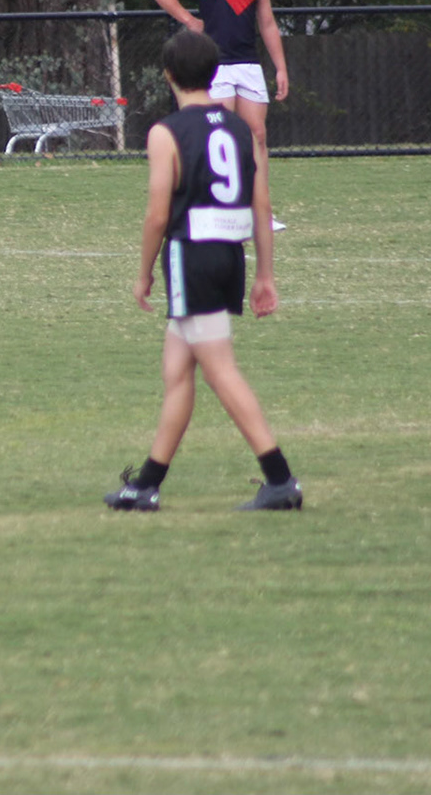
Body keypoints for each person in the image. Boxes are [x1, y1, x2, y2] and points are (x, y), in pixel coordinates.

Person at [105, 29, 302, 512]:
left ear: (168, 75)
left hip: (190, 256)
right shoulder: (240, 129)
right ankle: (146, 485)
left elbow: (157, 214)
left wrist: (143, 273)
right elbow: (261, 205)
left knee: (220, 371)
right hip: (228, 254)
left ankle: (280, 480)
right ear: (216, 74)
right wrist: (265, 274)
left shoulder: (166, 132)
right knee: (177, 370)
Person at [150, 0, 289, 230]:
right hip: (216, 66)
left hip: (248, 64)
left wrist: (280, 68)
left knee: (257, 136)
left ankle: (261, 211)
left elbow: (267, 23)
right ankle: (215, 206)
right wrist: (189, 21)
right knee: (219, 134)